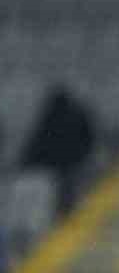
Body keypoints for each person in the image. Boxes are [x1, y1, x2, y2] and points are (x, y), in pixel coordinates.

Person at [20, 85, 98, 215]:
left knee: (65, 190)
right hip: (61, 166)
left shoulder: (57, 116)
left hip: (68, 166)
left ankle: (66, 214)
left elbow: (88, 140)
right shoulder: (56, 116)